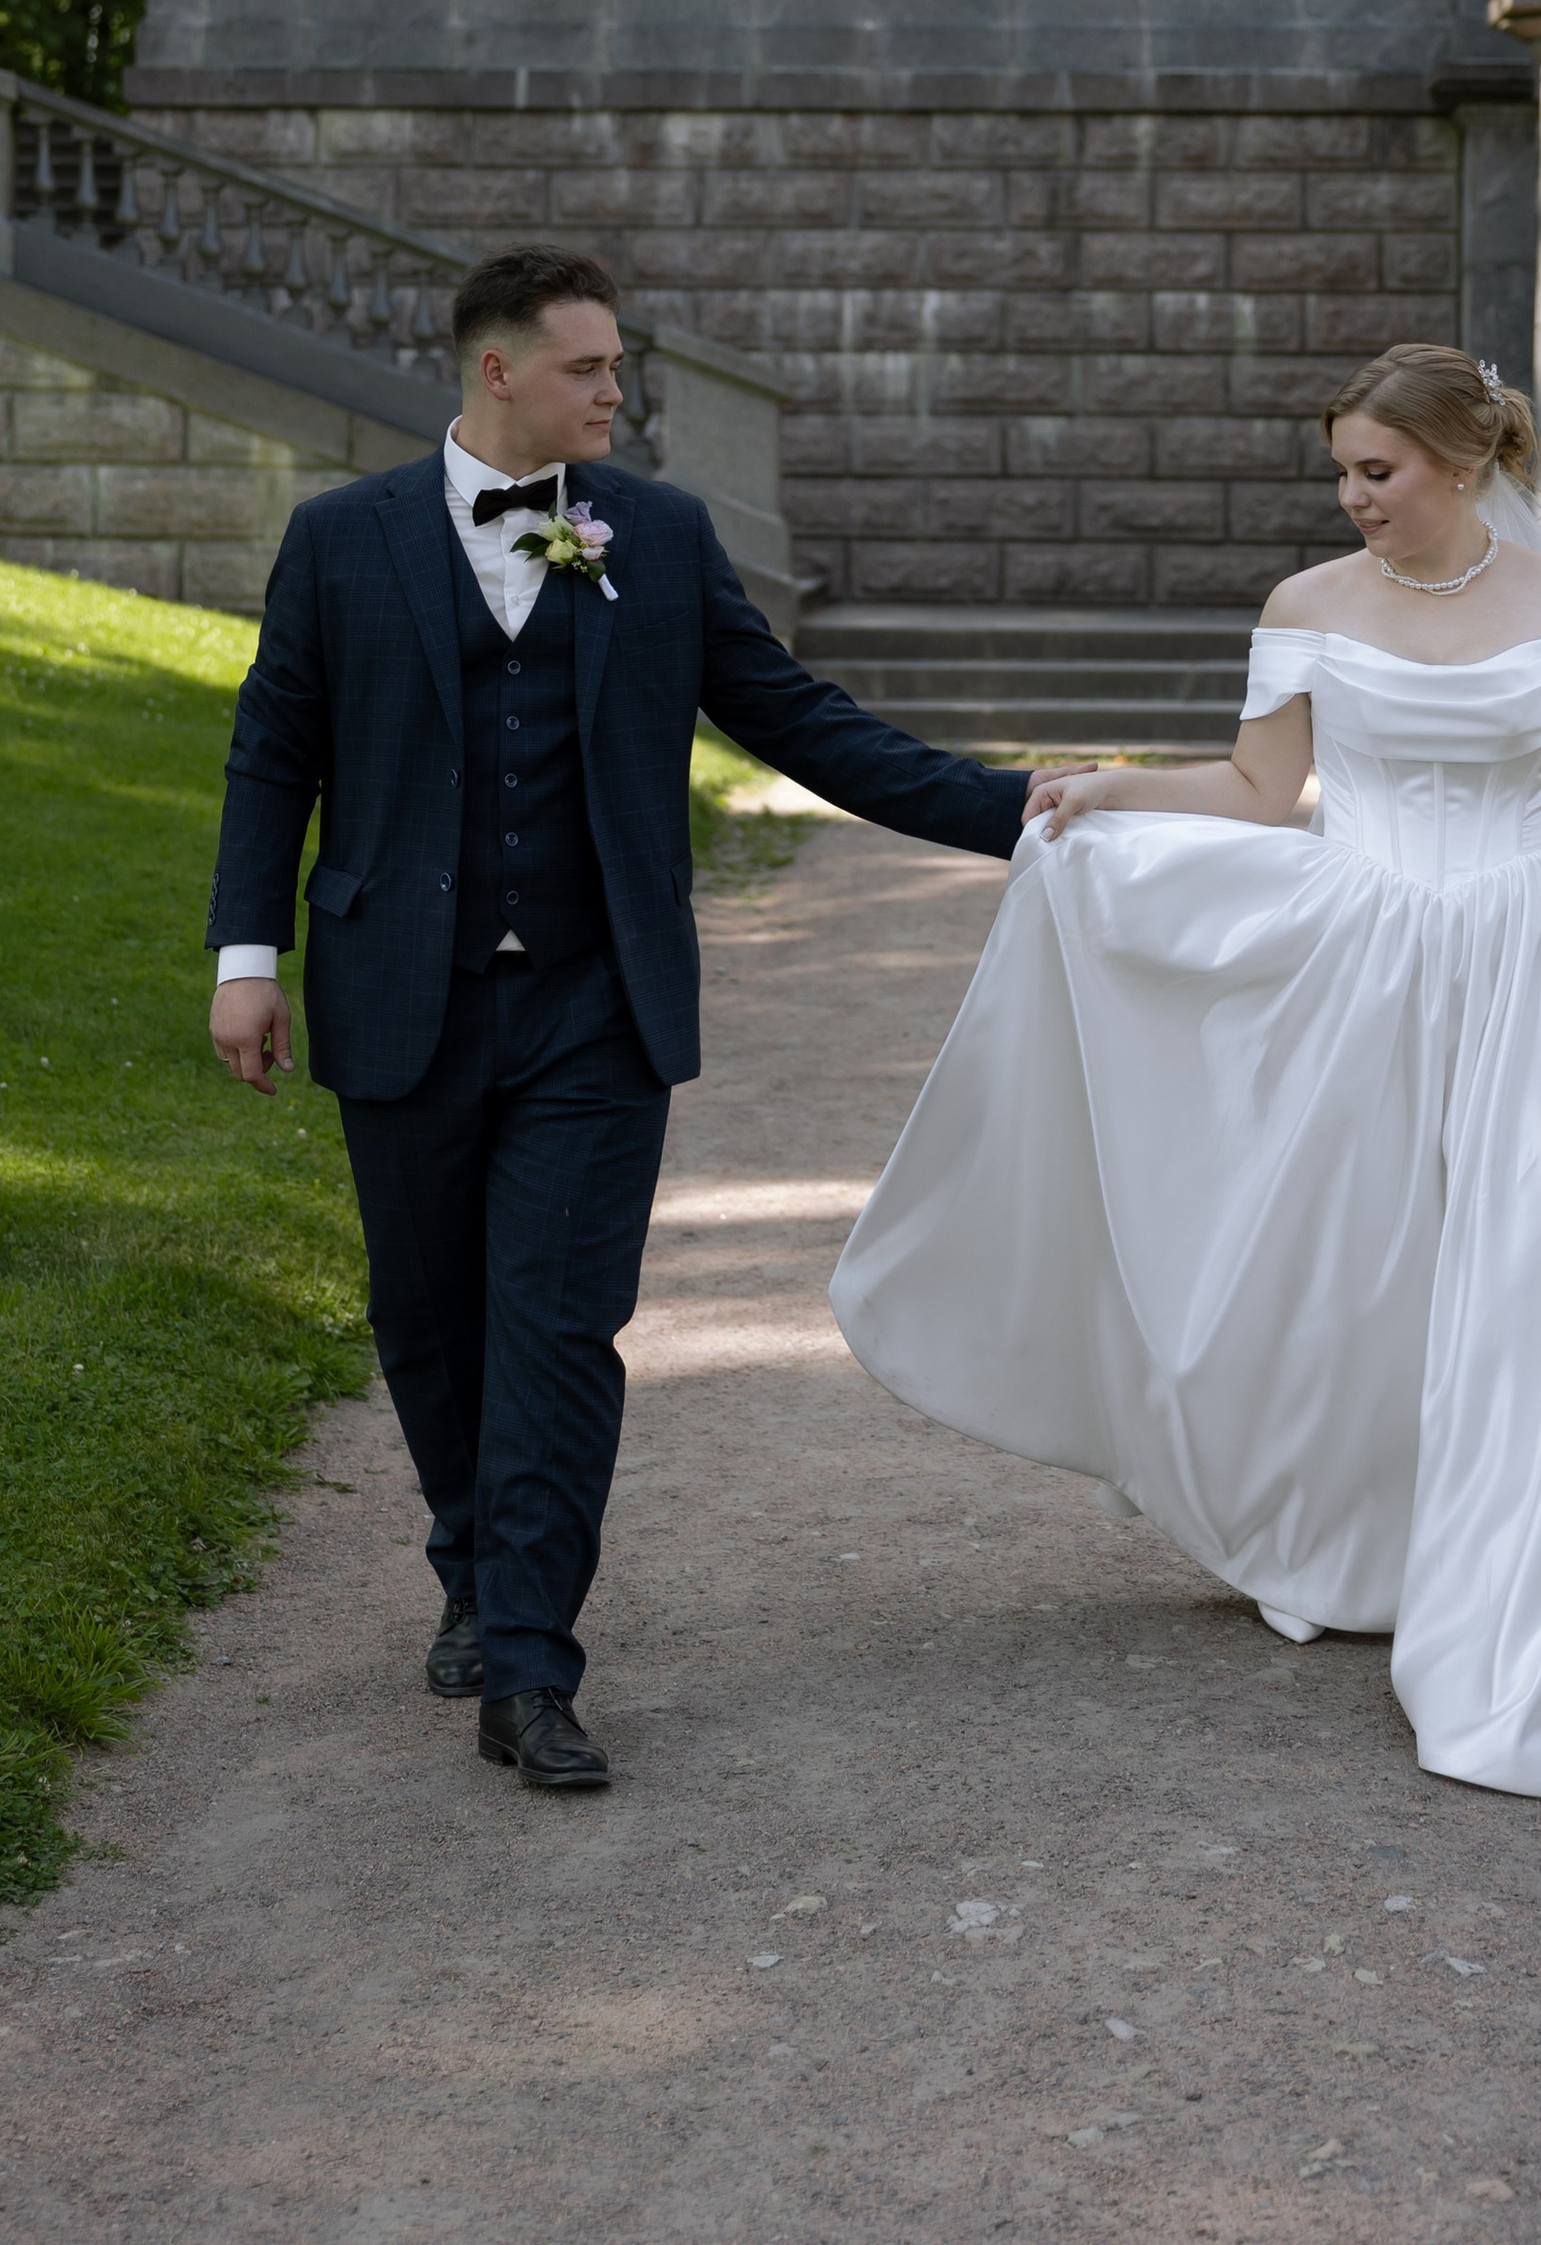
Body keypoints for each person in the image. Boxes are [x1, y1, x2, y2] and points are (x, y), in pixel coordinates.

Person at [832, 342, 1541, 1805]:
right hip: (1368, 959)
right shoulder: (1308, 608)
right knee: (1361, 1258)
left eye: (1377, 471)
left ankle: (1539, 1611)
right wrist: (1107, 789)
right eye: (1343, 470)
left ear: (1463, 465)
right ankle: (1365, 1533)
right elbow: (1260, 789)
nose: (1353, 498)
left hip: (1532, 964)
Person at [205, 245, 1029, 1791]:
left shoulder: (657, 532)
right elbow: (274, 757)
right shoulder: (341, 541)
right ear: (497, 370)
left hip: (598, 1006)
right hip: (402, 996)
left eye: (618, 367)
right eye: (589, 368)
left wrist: (1016, 810)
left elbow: (800, 721)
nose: (616, 390)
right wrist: (244, 955)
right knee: (428, 1322)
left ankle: (531, 1662)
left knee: (560, 1330)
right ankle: (469, 1559)